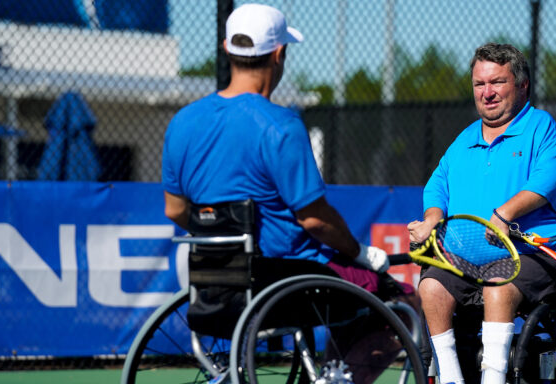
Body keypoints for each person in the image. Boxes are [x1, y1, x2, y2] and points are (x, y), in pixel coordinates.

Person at [162, 4, 413, 381]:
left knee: (354, 299)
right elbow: (315, 220)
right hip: (290, 282)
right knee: (405, 301)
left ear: (226, 48)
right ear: (279, 54)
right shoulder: (280, 126)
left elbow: (175, 210)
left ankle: (329, 373)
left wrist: (228, 241)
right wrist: (359, 251)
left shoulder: (182, 122)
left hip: (216, 285)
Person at [407, 43, 556, 384]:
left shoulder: (541, 127)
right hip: (463, 259)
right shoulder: (464, 139)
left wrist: (505, 214)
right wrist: (431, 219)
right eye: (479, 84)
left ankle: (494, 378)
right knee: (430, 287)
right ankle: (451, 377)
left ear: (522, 85)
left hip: (529, 253)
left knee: (498, 287)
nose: (487, 93)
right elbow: (438, 184)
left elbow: (548, 179)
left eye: (497, 82)